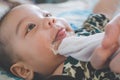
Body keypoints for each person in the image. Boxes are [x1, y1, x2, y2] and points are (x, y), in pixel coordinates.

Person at [0, 0, 120, 80]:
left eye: (47, 14)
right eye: (31, 27)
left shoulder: (84, 33)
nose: (50, 20)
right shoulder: (61, 76)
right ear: (24, 70)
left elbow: (102, 12)